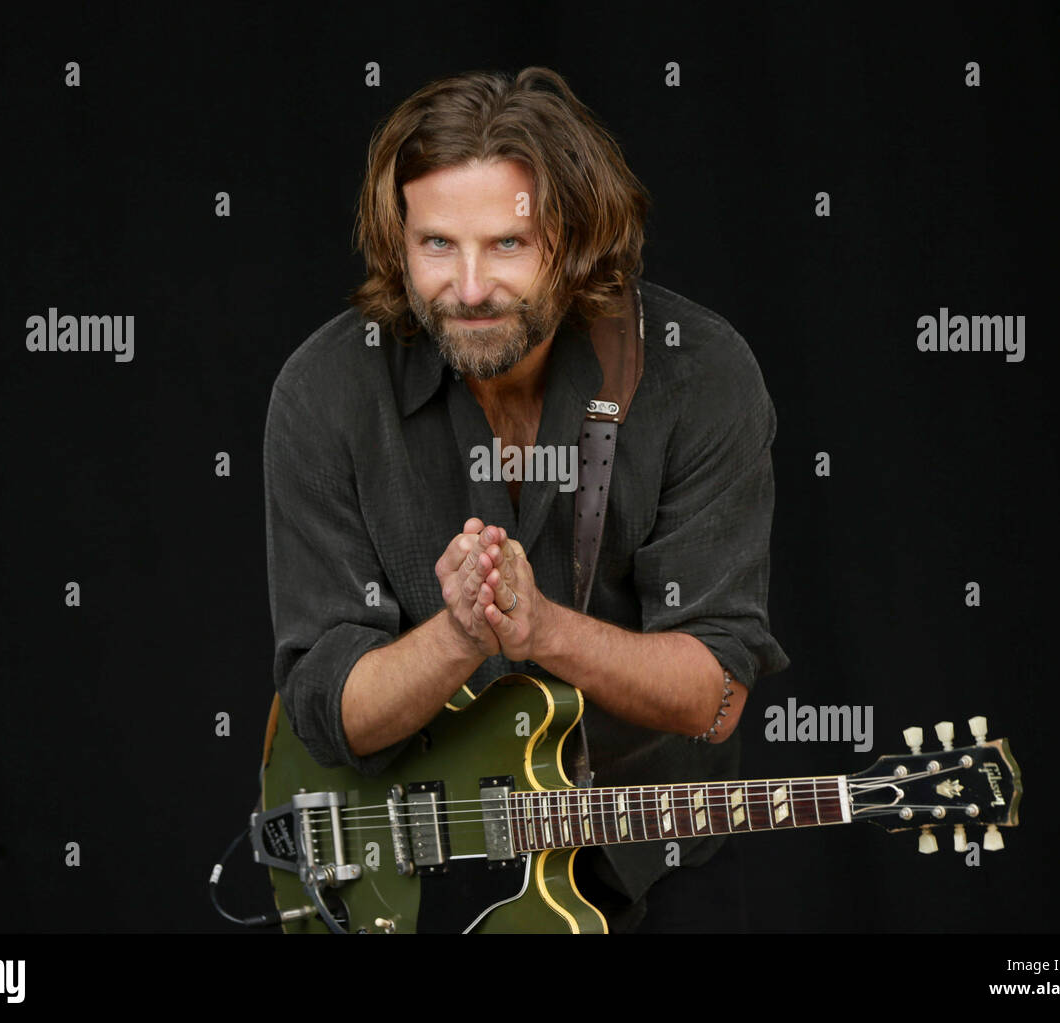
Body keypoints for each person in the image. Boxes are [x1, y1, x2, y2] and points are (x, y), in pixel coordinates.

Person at [263, 66, 789, 932]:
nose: (468, 290)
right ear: (397, 240)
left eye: (507, 244)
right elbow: (328, 712)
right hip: (424, 874)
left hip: (646, 860)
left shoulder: (699, 376)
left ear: (576, 240)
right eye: (437, 244)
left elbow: (716, 693)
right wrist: (458, 636)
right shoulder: (325, 393)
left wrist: (543, 630)